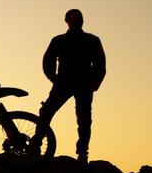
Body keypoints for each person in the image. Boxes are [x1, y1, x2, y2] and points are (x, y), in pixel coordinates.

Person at [35, 9, 106, 164]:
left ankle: (82, 153)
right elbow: (48, 61)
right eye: (74, 19)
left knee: (84, 119)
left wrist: (94, 83)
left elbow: (100, 64)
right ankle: (36, 145)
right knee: (47, 111)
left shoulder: (92, 40)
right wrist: (54, 78)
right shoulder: (59, 40)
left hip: (83, 84)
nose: (77, 21)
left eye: (79, 18)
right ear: (67, 21)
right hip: (64, 83)